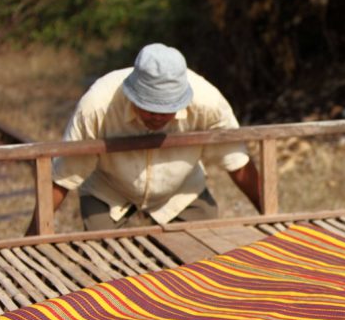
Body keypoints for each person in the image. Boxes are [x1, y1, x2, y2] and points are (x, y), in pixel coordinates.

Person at [28, 43, 260, 234]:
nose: (157, 117)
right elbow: (63, 176)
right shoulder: (98, 105)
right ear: (132, 95)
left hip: (181, 190)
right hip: (109, 190)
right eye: (149, 108)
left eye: (167, 109)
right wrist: (29, 241)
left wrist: (272, 218)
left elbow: (238, 163)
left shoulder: (208, 103)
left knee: (202, 257)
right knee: (104, 263)